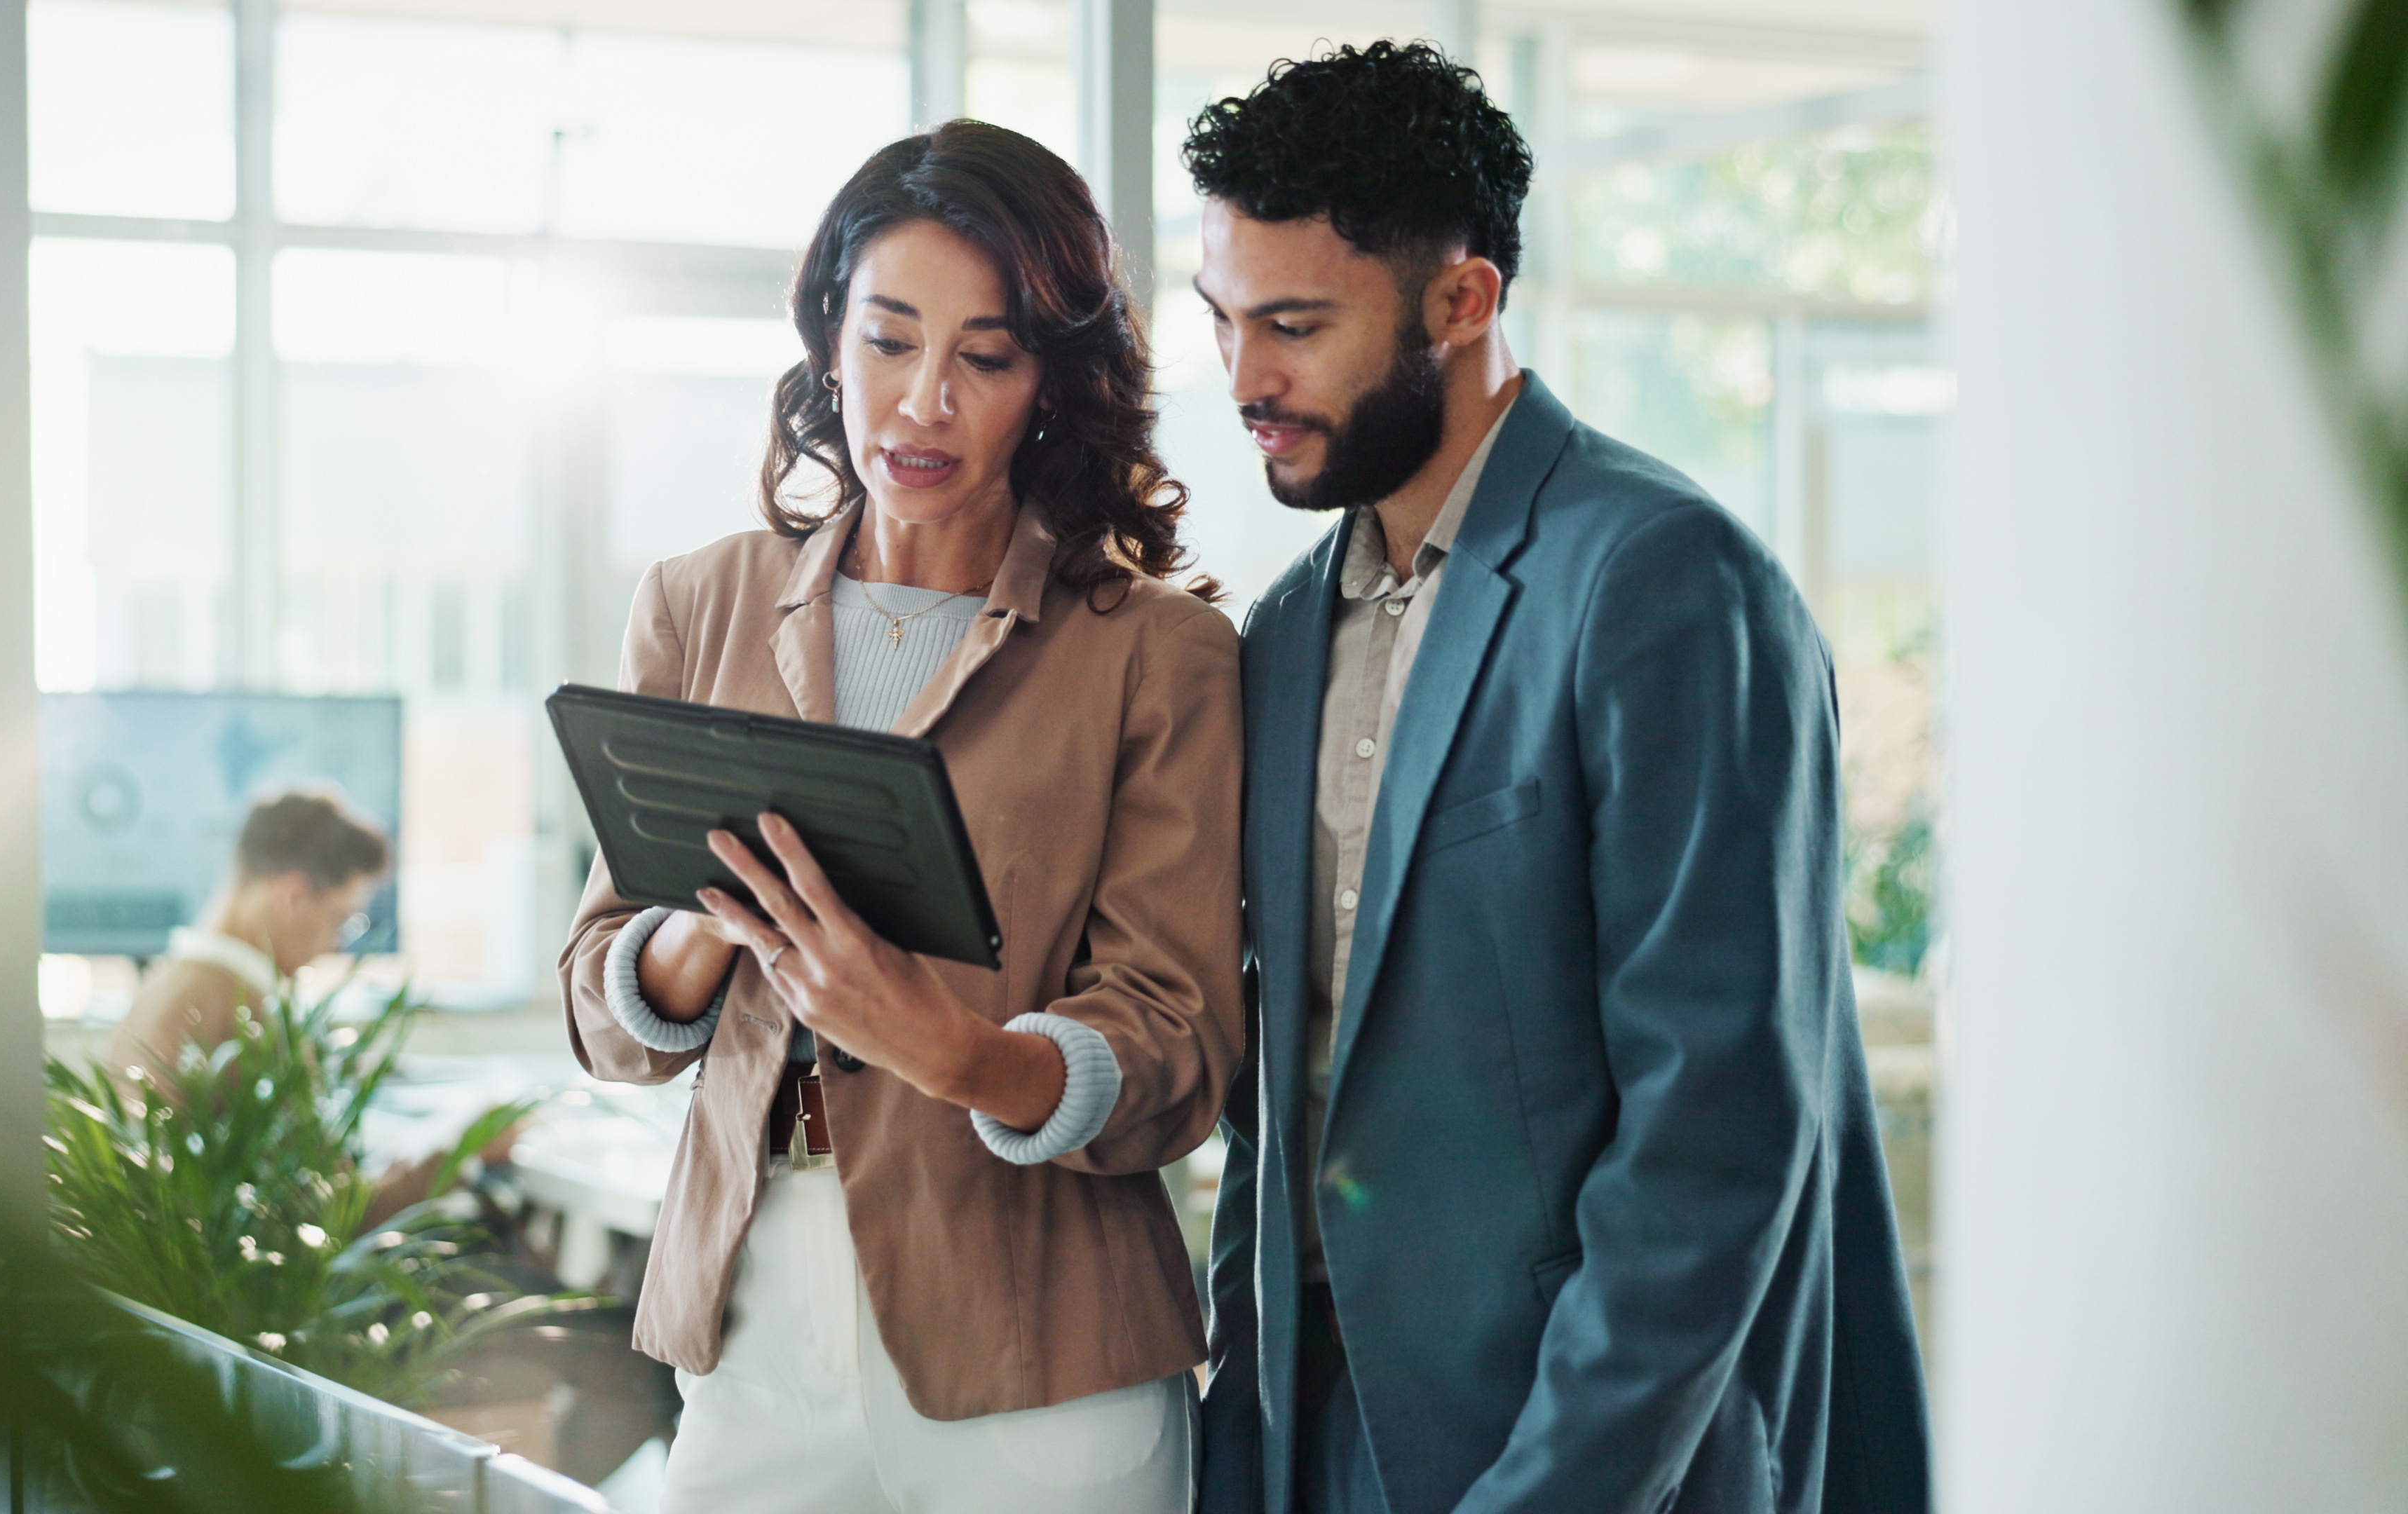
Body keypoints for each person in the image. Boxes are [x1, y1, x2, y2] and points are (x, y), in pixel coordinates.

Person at [1181, 42, 1932, 1514]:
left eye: (1292, 325)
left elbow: (1713, 1137)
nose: (1244, 380)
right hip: (1314, 1444)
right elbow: (1284, 1108)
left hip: (1584, 1453)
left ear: (1461, 302)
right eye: (1220, 323)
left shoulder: (1661, 580)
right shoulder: (1275, 633)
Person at [558, 121, 1242, 1514]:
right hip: (750, 1318)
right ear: (825, 340)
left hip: (1042, 1338)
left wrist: (960, 1054)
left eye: (982, 357)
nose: (921, 401)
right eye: (886, 339)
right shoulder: (701, 602)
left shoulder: (1151, 651)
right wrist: (698, 935)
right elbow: (595, 1003)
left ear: (1048, 379)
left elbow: (1177, 1040)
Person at [109, 785, 388, 1086]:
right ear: (293, 897)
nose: (337, 945)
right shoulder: (246, 1018)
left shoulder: (171, 985)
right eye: (340, 920)